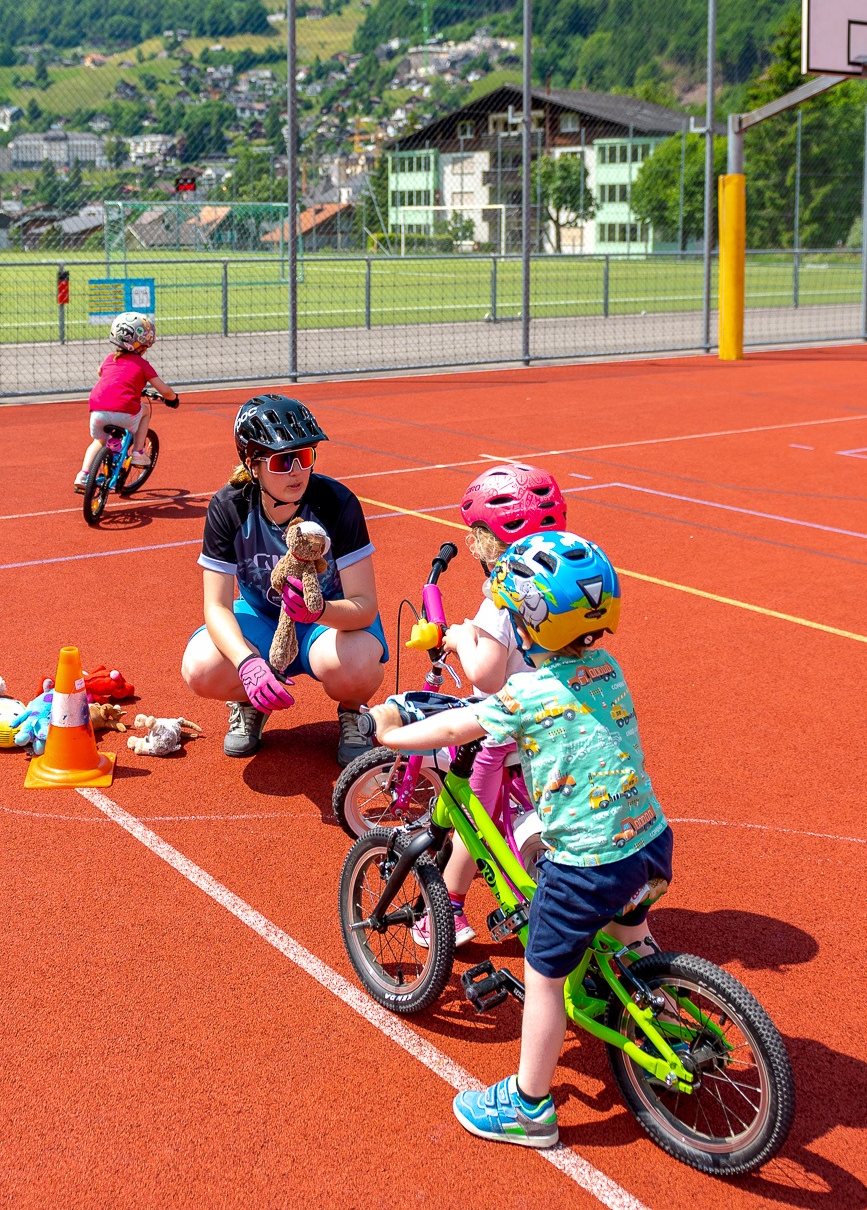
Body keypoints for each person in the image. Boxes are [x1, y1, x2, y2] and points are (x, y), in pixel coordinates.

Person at [377, 532, 670, 1150]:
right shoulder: (607, 668)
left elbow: (461, 721)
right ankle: (662, 1010)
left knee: (543, 978)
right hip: (649, 842)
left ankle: (529, 1107)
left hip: (587, 864)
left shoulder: (525, 694)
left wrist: (391, 735)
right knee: (624, 924)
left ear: (527, 623)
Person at [372, 462, 569, 948]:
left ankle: (451, 911)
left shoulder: (500, 599)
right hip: (555, 729)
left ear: (487, 543)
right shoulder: (561, 587)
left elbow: (485, 674)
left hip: (500, 734)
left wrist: (460, 638)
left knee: (470, 817)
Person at [181, 394, 386, 764]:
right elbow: (216, 606)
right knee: (200, 668)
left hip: (330, 623)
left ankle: (354, 712)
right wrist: (247, 665)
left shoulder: (337, 503)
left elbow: (364, 606)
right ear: (251, 464)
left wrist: (317, 610)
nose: (296, 471)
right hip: (262, 619)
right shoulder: (229, 507)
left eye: (305, 456)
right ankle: (250, 700)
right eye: (281, 460)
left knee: (356, 663)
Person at [76, 313, 177, 494]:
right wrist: (173, 399)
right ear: (142, 345)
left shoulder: (109, 358)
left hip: (97, 410)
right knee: (144, 411)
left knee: (98, 441)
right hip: (126, 412)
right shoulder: (142, 364)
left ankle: (83, 476)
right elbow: (165, 390)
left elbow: (101, 373)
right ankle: (138, 452)